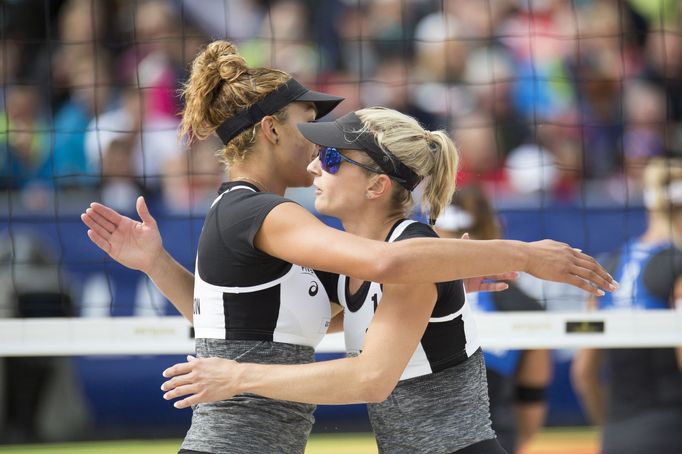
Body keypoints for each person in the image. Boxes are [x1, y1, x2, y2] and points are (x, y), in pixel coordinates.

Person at [82, 40, 615, 454]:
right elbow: (387, 266)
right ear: (269, 130)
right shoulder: (261, 213)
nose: (315, 156)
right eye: (309, 133)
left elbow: (244, 321)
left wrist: (156, 265)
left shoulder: (286, 225)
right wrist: (517, 255)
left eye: (331, 156)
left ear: (376, 184)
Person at [571, 158, 682, 454]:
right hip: (672, 430)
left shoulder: (610, 266)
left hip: (618, 434)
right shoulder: (678, 265)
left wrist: (612, 429)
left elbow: (583, 372)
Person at [434, 185, 552, 454]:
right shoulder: (524, 306)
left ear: (436, 232)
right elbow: (531, 399)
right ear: (495, 228)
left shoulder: (416, 290)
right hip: (494, 440)